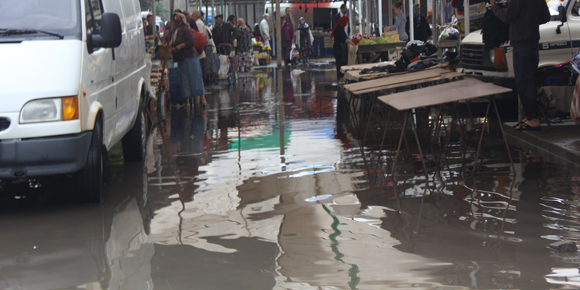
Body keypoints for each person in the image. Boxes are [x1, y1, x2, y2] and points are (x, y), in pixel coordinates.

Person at [490, 0, 550, 130]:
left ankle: (533, 119)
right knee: (530, 81)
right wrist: (530, 21)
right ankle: (530, 117)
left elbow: (507, 17)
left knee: (524, 82)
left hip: (521, 44)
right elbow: (546, 17)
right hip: (533, 43)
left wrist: (494, 6)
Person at [170, 11, 205, 110]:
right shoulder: (176, 31)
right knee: (184, 80)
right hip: (182, 59)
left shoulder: (185, 30)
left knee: (195, 79)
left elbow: (191, 41)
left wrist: (181, 46)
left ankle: (202, 101)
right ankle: (187, 102)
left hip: (190, 57)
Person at [331, 16, 355, 83]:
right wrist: (351, 42)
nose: (347, 23)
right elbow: (343, 39)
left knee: (339, 64)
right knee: (340, 64)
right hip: (339, 49)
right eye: (346, 22)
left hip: (337, 48)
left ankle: (340, 79)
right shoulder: (339, 28)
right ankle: (340, 79)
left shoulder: (339, 26)